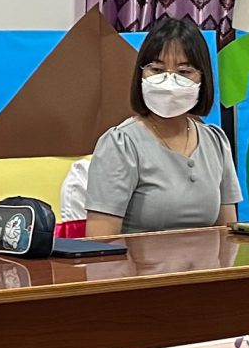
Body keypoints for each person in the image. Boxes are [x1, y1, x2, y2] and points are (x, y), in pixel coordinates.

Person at [84, 16, 240, 236]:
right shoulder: (121, 144)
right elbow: (100, 241)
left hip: (206, 259)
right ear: (141, 74)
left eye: (184, 72)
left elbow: (227, 235)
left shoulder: (215, 142)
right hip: (138, 260)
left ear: (202, 78)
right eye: (157, 70)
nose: (169, 82)